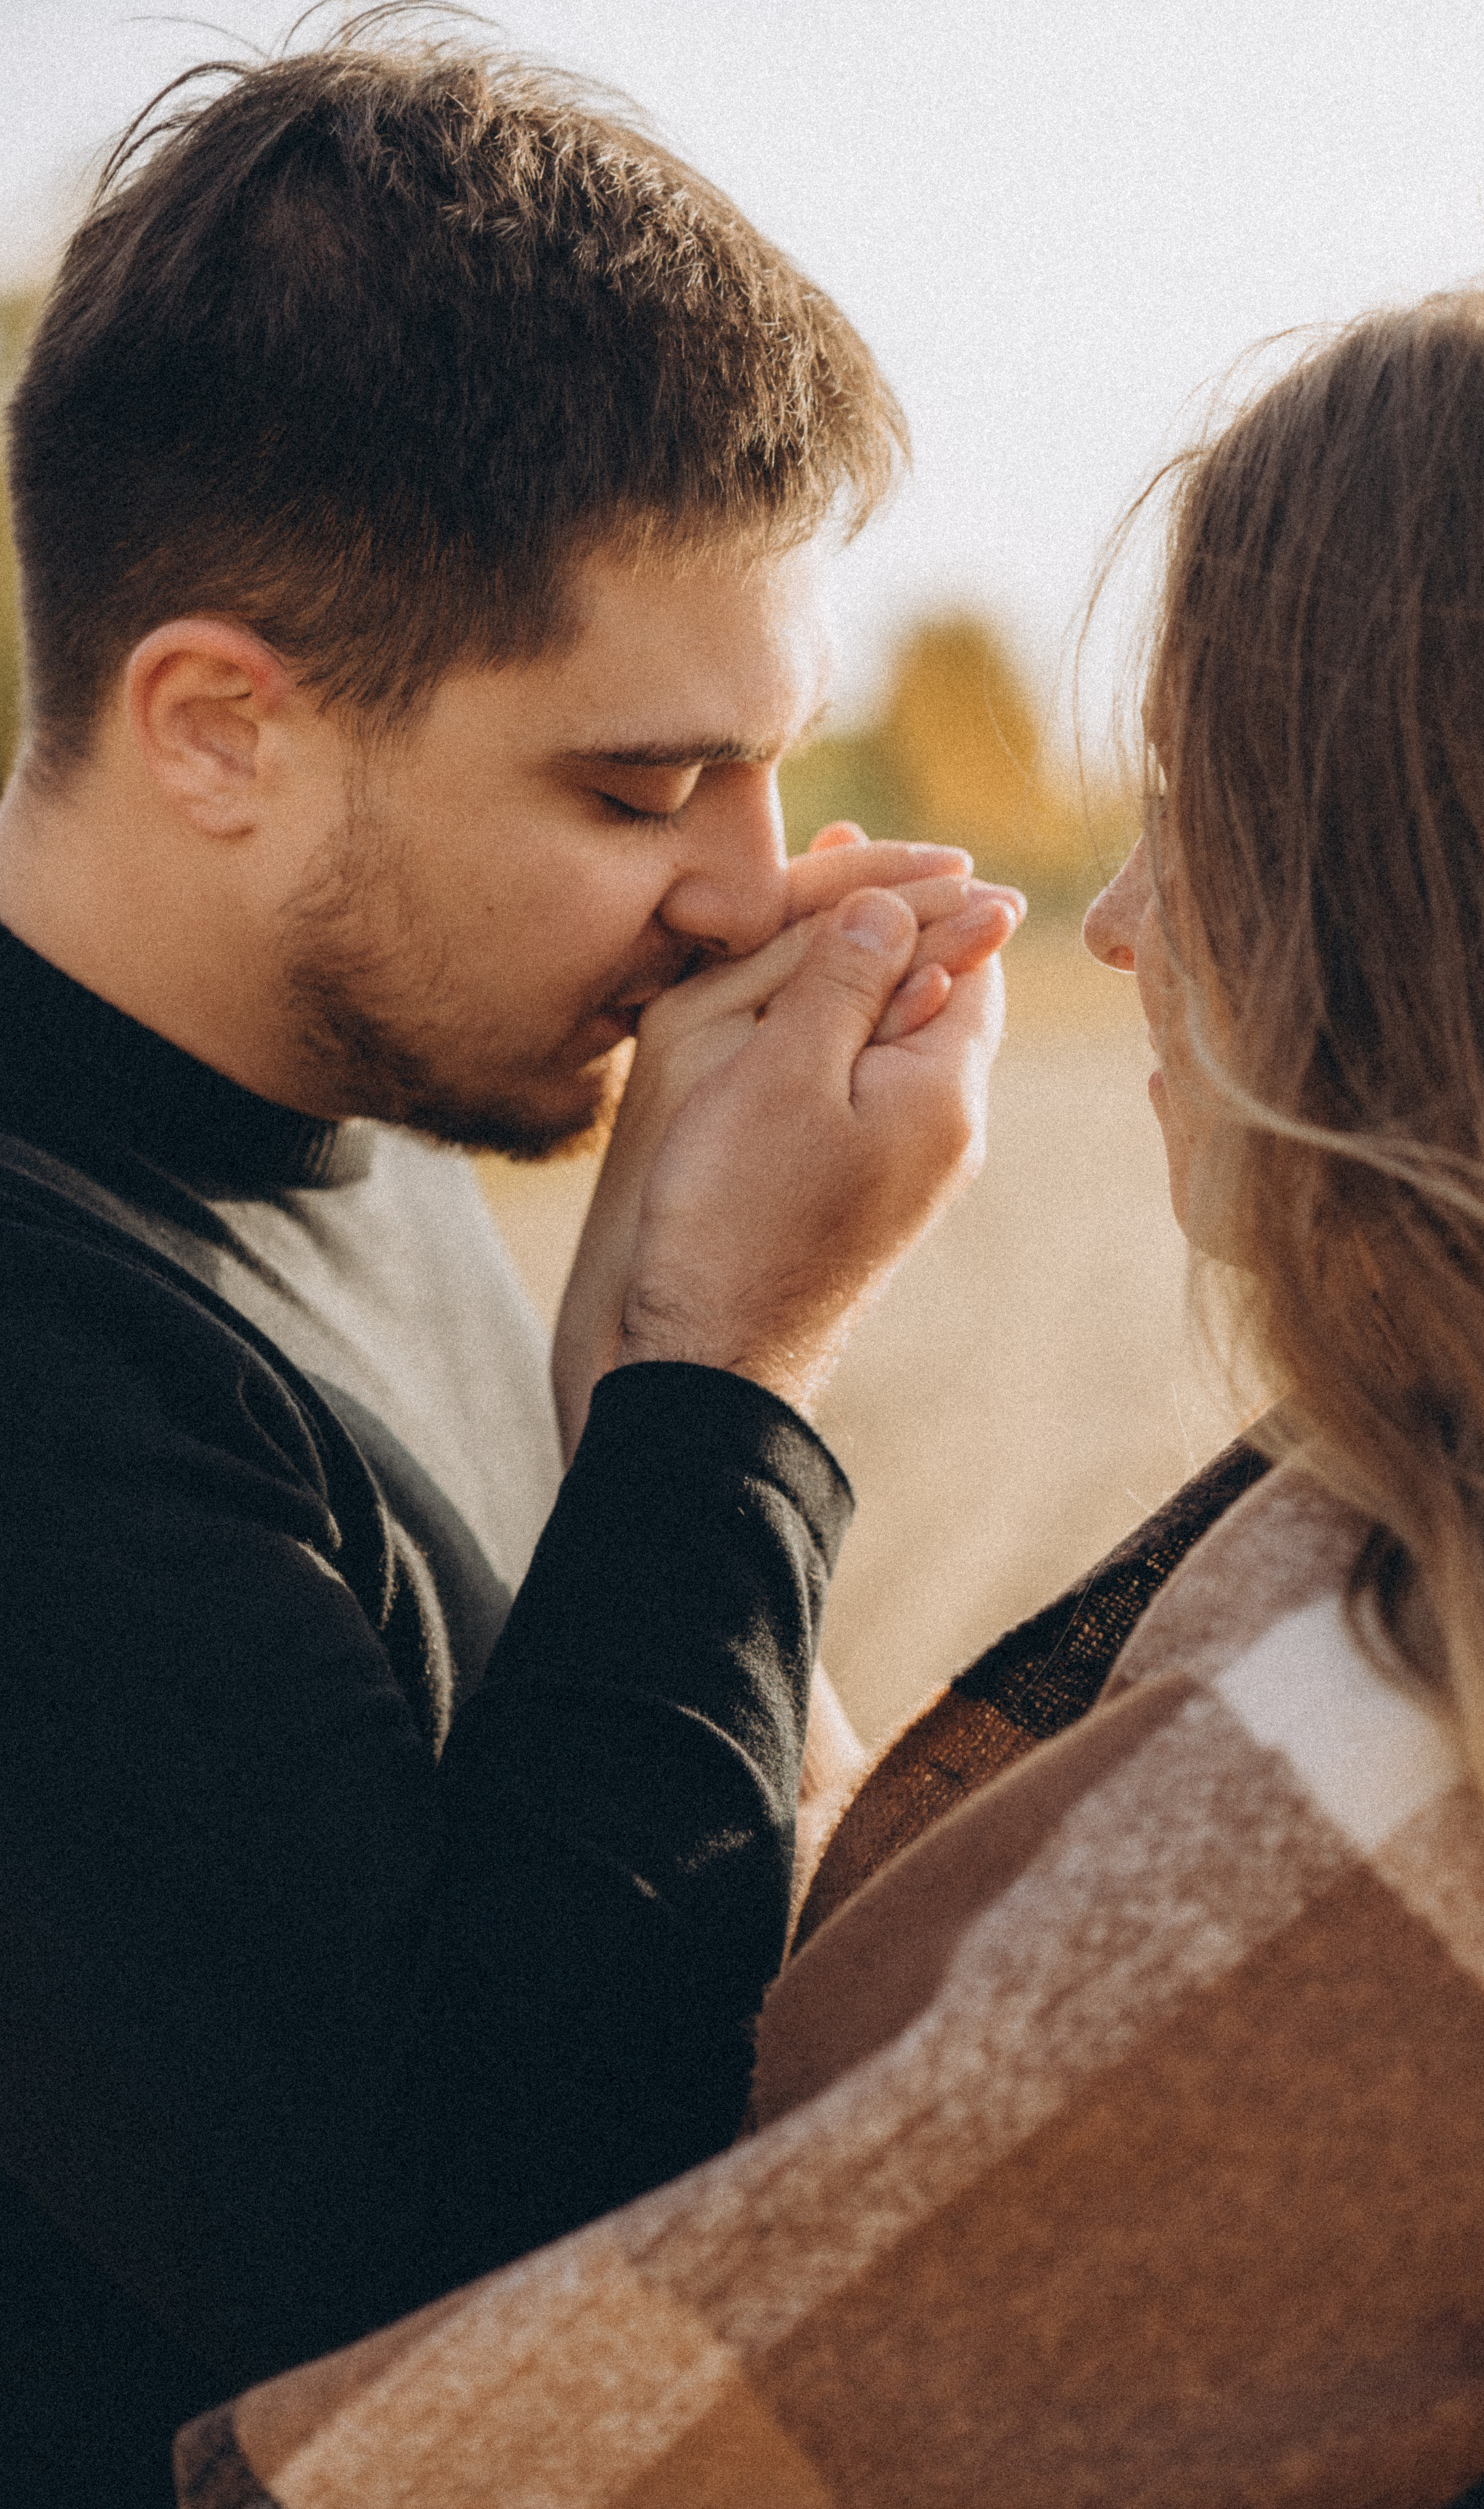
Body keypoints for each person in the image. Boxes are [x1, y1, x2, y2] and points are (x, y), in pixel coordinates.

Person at [181, 281, 1484, 2509]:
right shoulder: (1468, 1584)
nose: (1124, 919)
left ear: (1430, 915)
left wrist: (715, 1381)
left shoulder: (1413, 1810)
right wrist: (680, 1405)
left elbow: (517, 2443)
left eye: (1213, 812)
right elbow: (950, 2005)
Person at [0, 29, 1026, 2507]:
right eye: (637, 786)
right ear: (222, 727)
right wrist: (717, 1393)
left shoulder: (362, 1122)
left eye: (767, 765)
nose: (750, 886)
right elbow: (487, 2297)